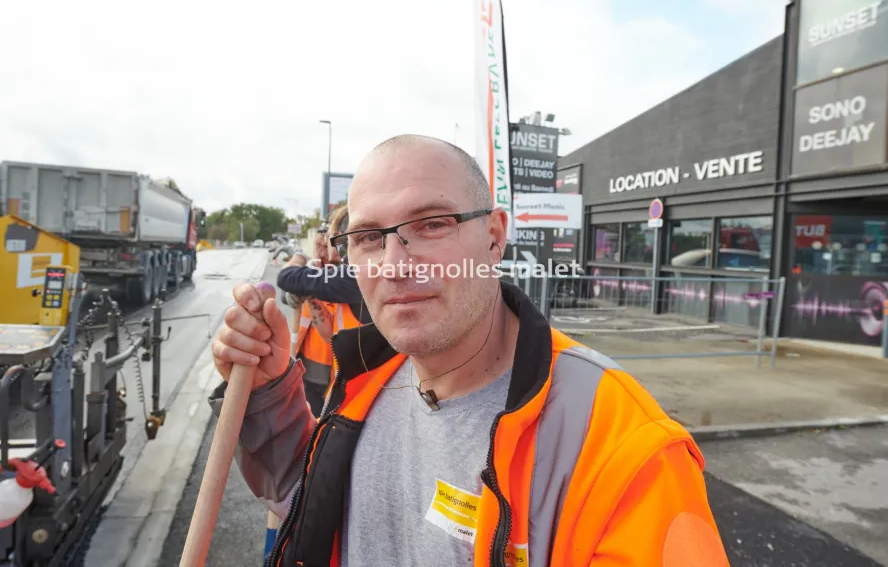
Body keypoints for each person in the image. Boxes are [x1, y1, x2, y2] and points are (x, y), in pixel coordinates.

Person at [210, 135, 729, 566]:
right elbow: (311, 502)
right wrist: (270, 390)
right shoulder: (369, 373)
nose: (395, 263)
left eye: (432, 225)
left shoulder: (623, 449)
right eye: (369, 237)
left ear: (495, 237)